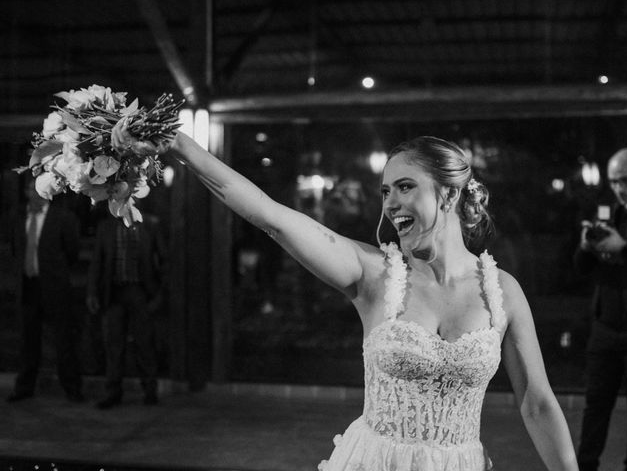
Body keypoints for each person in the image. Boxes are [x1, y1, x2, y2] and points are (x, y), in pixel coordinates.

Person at [113, 124, 578, 470]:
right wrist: (180, 145)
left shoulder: (502, 292)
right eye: (385, 191)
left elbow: (537, 403)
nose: (391, 203)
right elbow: (271, 218)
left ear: (450, 193)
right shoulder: (374, 274)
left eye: (405, 187)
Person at [574, 147, 627, 471]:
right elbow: (579, 267)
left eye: (625, 180)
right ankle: (584, 466)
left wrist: (625, 250)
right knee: (594, 406)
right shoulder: (610, 213)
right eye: (613, 181)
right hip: (605, 324)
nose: (618, 187)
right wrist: (587, 245)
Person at [7, 177, 83, 403]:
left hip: (54, 287)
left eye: (38, 190)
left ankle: (72, 387)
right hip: (29, 285)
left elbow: (72, 252)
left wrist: (56, 272)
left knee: (63, 340)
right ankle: (24, 387)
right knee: (28, 340)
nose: (34, 194)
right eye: (31, 189)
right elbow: (15, 249)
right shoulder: (20, 218)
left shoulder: (62, 218)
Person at [86, 209, 166, 409]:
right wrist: (92, 292)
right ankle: (113, 391)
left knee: (145, 342)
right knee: (113, 344)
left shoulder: (149, 224)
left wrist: (160, 293)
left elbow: (165, 259)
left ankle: (149, 390)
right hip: (114, 291)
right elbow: (97, 261)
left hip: (140, 290)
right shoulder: (107, 227)